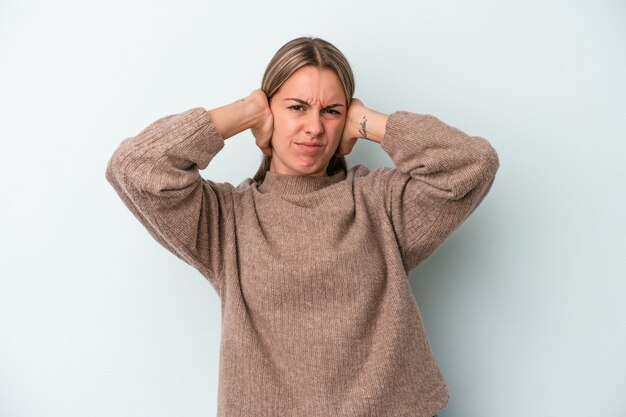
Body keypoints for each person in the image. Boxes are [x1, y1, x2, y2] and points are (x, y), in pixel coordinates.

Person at [106, 36, 499, 417]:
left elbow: (471, 164)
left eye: (331, 111)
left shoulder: (380, 204)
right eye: (296, 107)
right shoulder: (227, 219)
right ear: (269, 111)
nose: (314, 127)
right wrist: (244, 113)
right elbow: (136, 167)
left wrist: (370, 122)